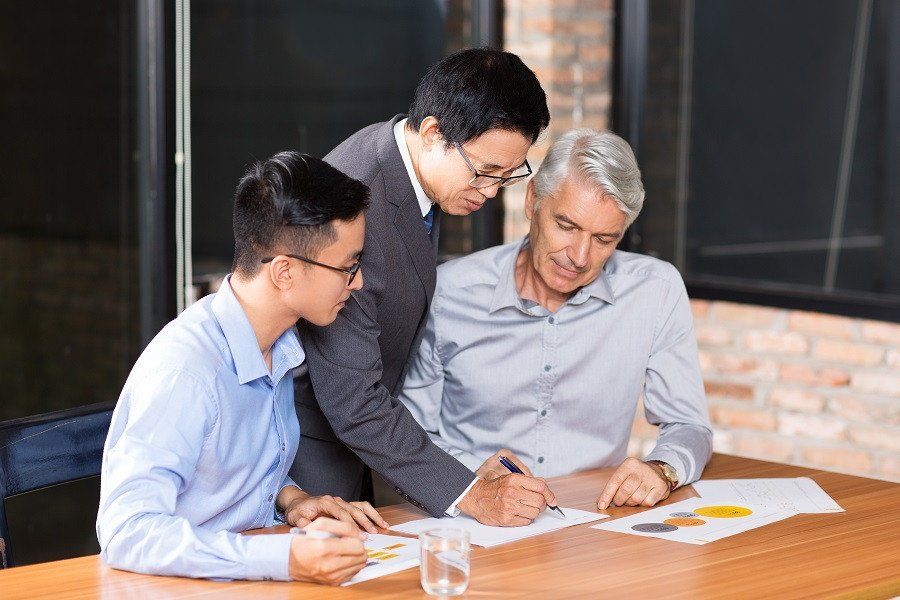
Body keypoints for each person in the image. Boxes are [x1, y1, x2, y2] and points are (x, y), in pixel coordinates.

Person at [291, 48, 557, 526]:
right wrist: (471, 494)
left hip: (353, 445)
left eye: (508, 175)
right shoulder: (354, 204)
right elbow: (353, 399)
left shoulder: (404, 162)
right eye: (484, 172)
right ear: (434, 133)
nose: (493, 192)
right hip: (307, 454)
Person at [97, 152, 389, 584]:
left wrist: (292, 499)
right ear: (285, 273)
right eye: (349, 267)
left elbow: (222, 470)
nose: (359, 282)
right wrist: (281, 558)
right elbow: (127, 532)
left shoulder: (281, 345)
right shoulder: (187, 372)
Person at [399, 129, 713, 511]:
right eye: (567, 226)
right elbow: (408, 432)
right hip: (473, 515)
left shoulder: (655, 290)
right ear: (532, 200)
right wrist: (469, 477)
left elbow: (689, 424)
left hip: (595, 522)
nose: (579, 256)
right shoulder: (449, 293)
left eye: (604, 239)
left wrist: (663, 470)